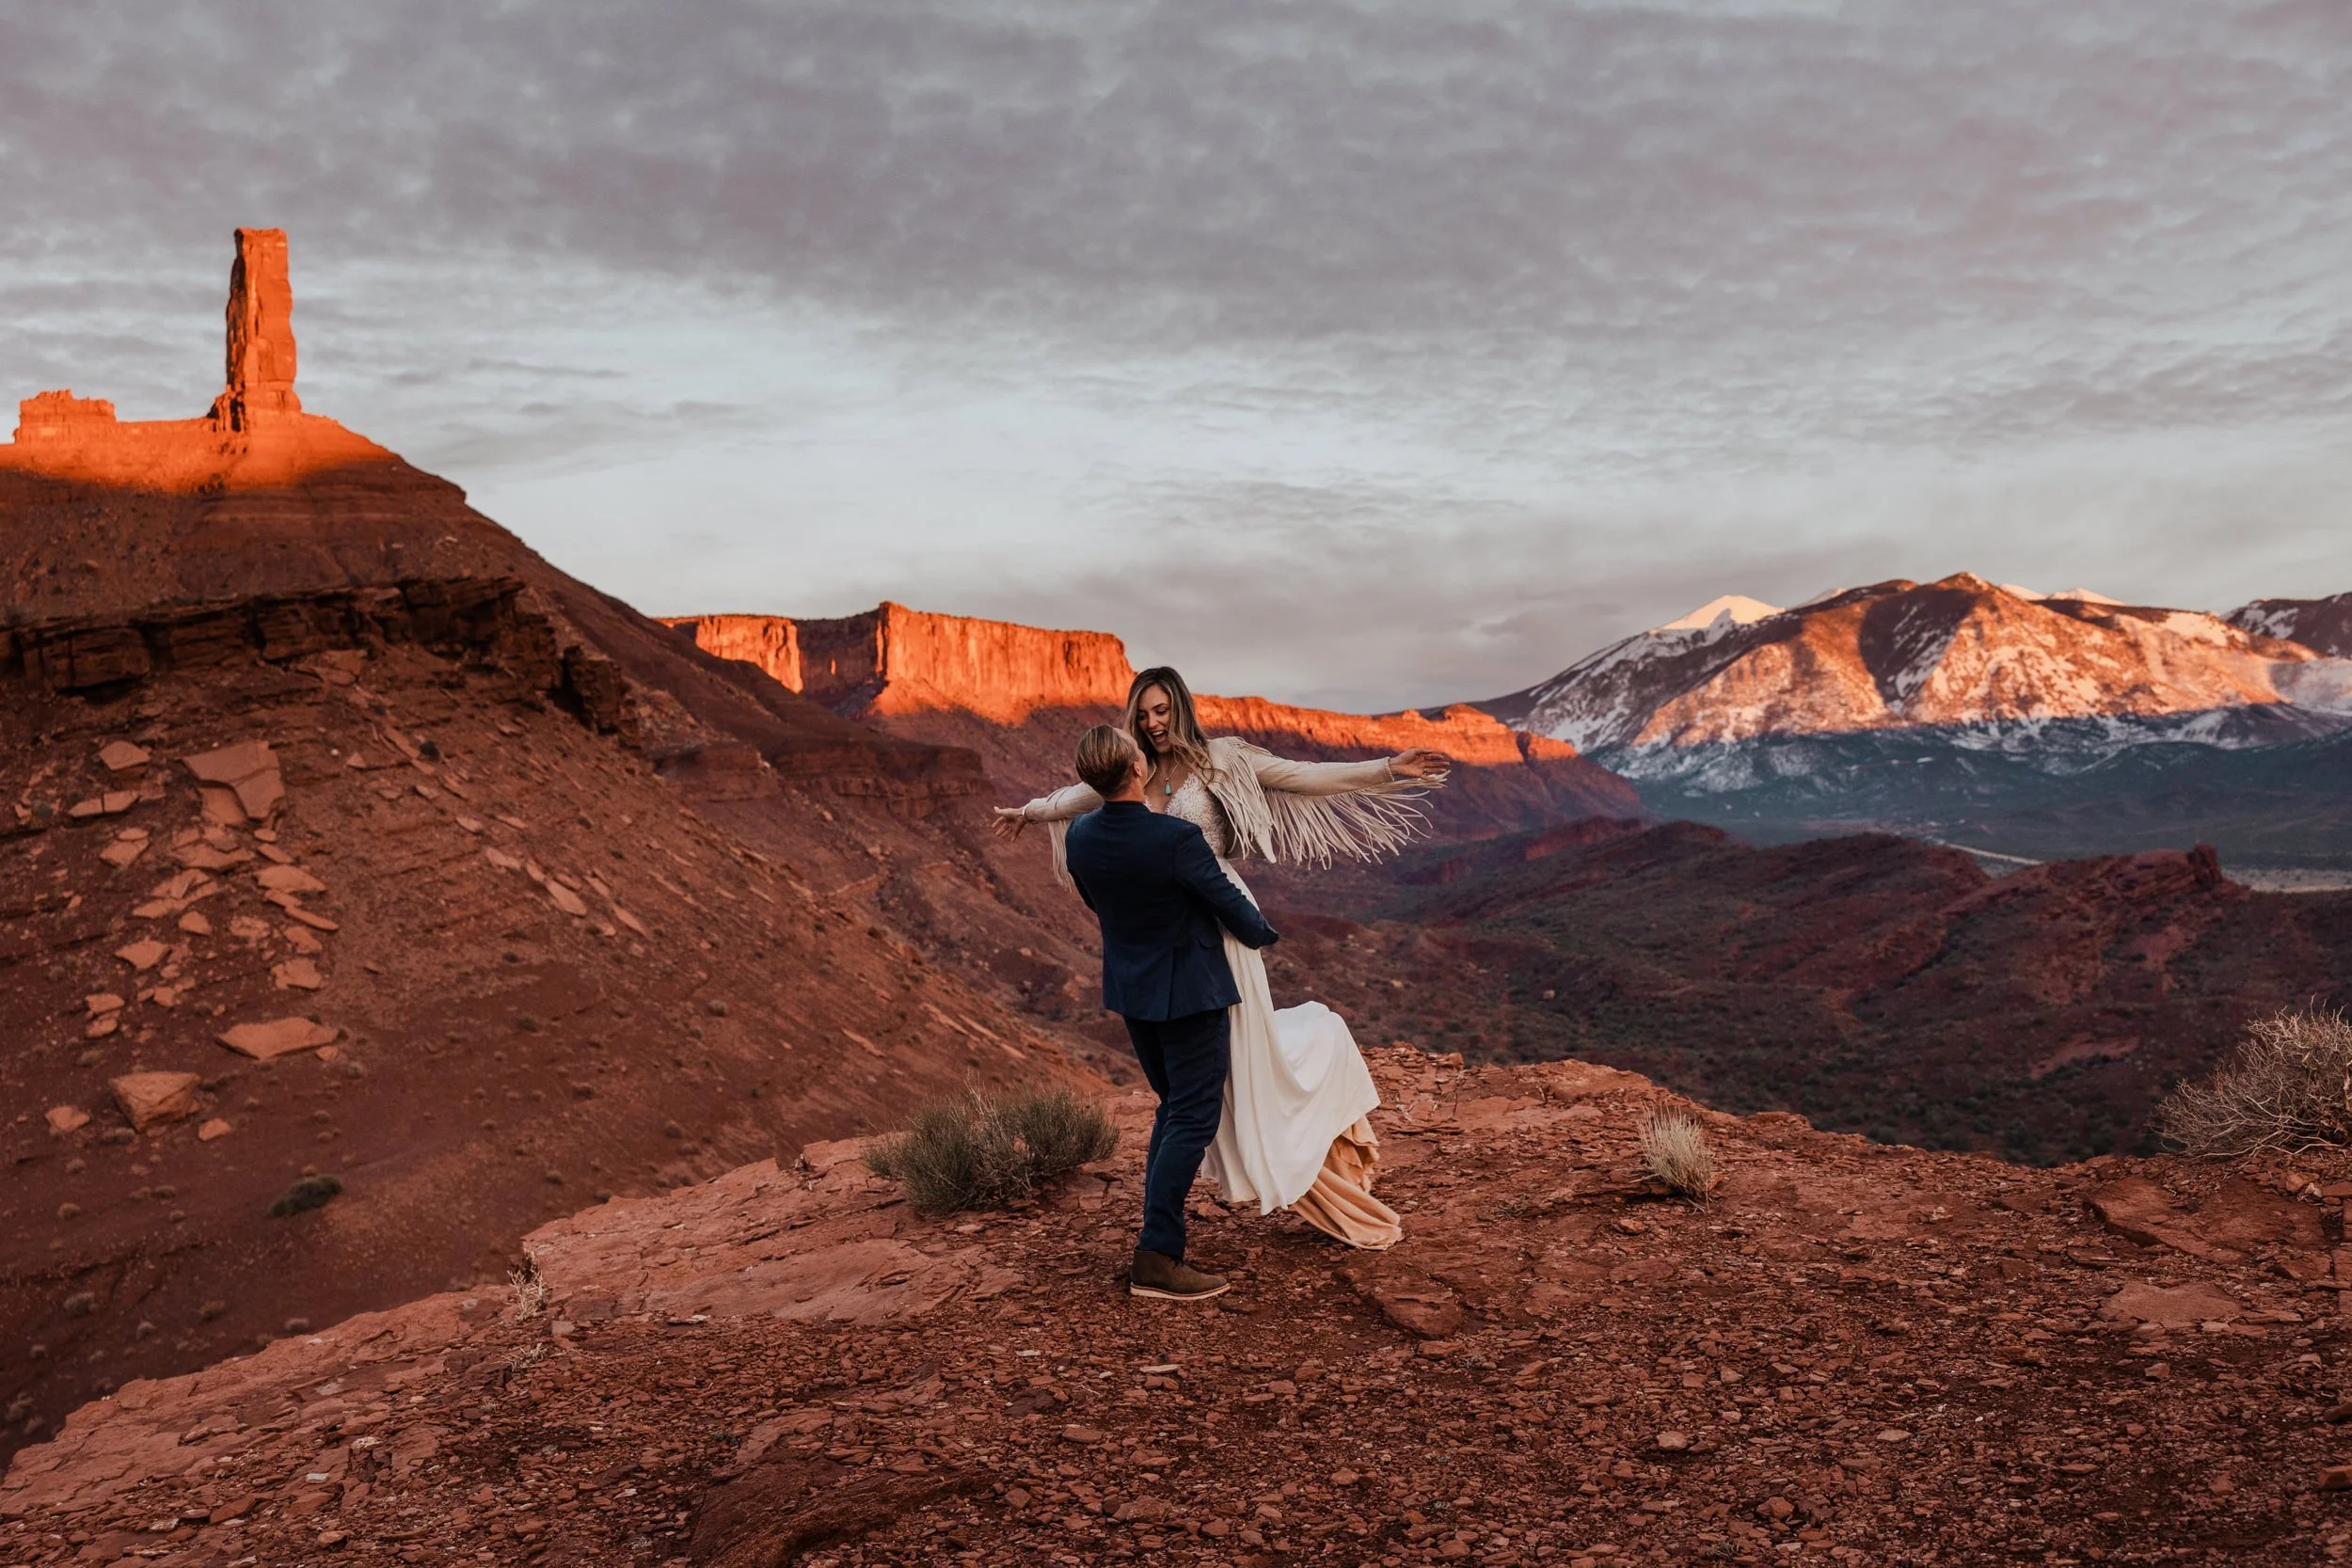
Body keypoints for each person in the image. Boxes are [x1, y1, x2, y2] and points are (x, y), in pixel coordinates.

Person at [997, 667, 1449, 1250]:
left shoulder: (1225, 760)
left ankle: (1293, 1163)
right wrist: (1028, 811)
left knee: (1242, 1062)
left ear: (1180, 708)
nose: (1153, 723)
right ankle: (1198, 1208)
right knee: (1199, 1084)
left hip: (1222, 927)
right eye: (1143, 714)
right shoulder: (1130, 769)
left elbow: (1302, 776)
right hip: (1167, 945)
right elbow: (1076, 798)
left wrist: (1387, 768)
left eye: (1162, 711)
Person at [1061, 723, 1280, 1303]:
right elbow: (1227, 903)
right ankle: (1157, 1257)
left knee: (1173, 1108)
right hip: (1190, 993)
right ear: (1136, 770)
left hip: (1134, 993)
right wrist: (1263, 934)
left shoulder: (1079, 836)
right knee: (1192, 1116)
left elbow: (1097, 902)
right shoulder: (1175, 839)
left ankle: (1155, 1244)